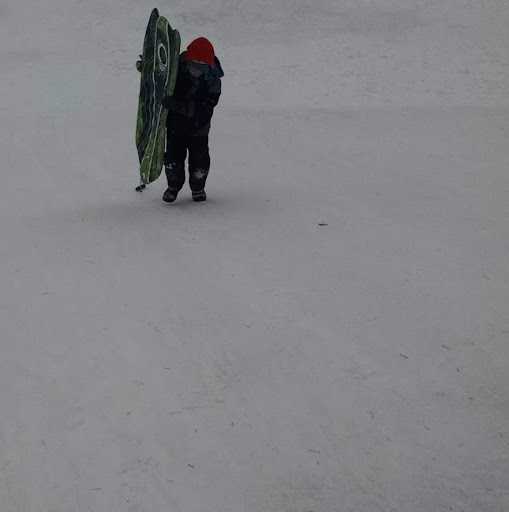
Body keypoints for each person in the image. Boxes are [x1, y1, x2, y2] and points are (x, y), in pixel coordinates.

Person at [160, 37, 224, 202]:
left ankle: (198, 187)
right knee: (173, 159)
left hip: (198, 127)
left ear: (208, 68)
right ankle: (173, 186)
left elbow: (204, 109)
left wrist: (176, 105)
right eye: (192, 67)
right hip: (175, 126)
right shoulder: (176, 69)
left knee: (199, 160)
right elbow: (161, 74)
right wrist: (145, 68)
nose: (195, 71)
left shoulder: (213, 82)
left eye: (200, 68)